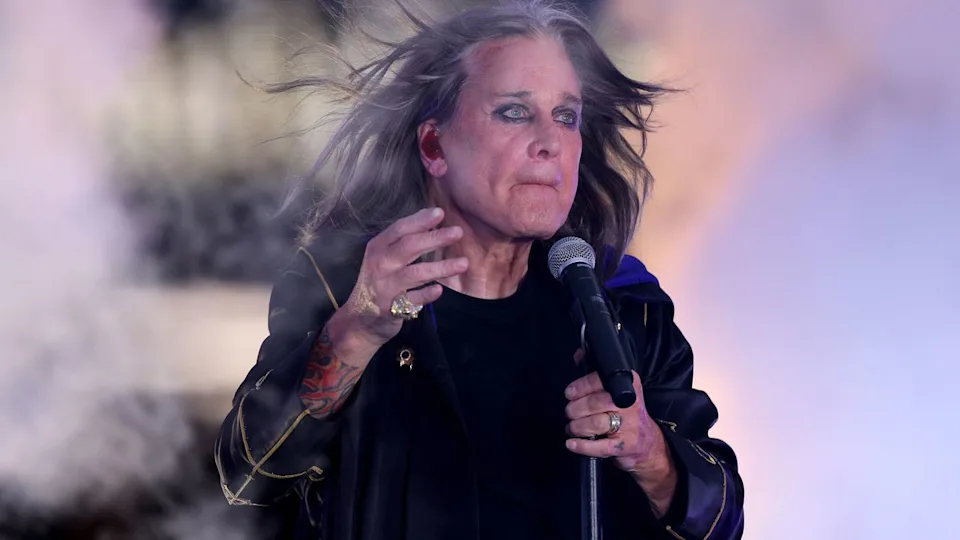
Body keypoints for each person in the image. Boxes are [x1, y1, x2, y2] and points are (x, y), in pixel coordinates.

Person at [214, 1, 745, 539]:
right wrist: (356, 330)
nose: (550, 142)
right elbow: (247, 474)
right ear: (434, 144)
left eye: (566, 116)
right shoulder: (344, 283)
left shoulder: (624, 303)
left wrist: (650, 451)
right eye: (514, 112)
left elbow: (721, 519)